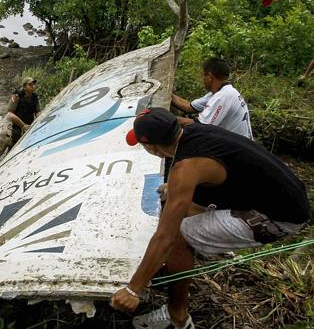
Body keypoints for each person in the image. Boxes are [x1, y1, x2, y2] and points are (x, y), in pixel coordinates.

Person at [111, 108, 310, 329]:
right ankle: (171, 266)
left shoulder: (185, 168)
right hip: (290, 195)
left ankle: (177, 315)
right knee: (179, 206)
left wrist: (133, 289)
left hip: (279, 217)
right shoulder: (192, 128)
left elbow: (165, 236)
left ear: (152, 147)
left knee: (177, 236)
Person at [171, 58, 253, 139]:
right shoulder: (219, 92)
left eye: (203, 75)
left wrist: (168, 119)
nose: (202, 79)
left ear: (209, 77)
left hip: (239, 149)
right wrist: (168, 94)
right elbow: (188, 107)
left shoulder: (223, 96)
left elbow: (201, 126)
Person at [7, 76, 41, 143]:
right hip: (16, 128)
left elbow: (38, 111)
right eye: (30, 84)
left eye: (33, 84)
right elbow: (10, 114)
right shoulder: (16, 97)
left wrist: (40, 118)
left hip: (29, 127)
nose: (33, 86)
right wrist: (23, 126)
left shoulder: (35, 97)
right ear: (24, 87)